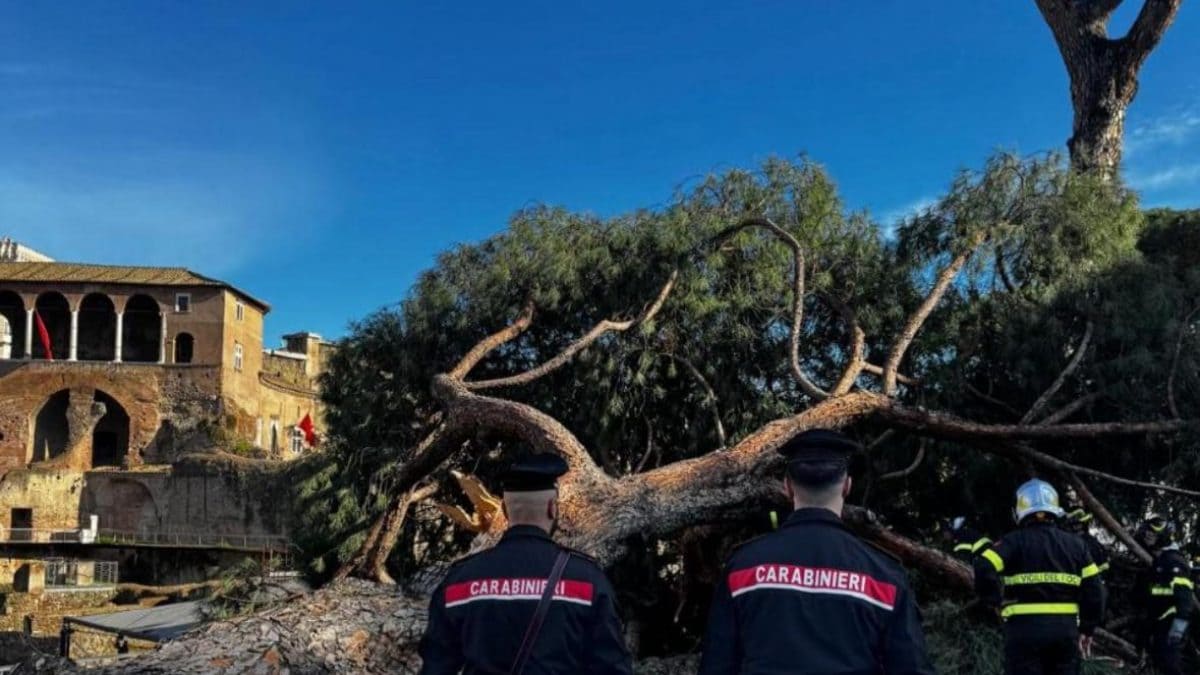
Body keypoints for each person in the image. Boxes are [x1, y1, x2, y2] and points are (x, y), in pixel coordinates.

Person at [699, 429, 934, 674]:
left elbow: (716, 666)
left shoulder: (743, 568)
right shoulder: (884, 576)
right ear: (846, 486)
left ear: (787, 487)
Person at [418, 453, 632, 675]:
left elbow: (436, 668)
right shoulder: (586, 582)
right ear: (552, 507)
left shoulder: (459, 582)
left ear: (505, 511)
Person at [974, 479, 1105, 675]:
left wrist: (994, 601)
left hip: (1023, 632)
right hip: (1065, 632)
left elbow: (984, 566)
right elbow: (1096, 591)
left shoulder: (1012, 542)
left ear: (1019, 510)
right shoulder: (1077, 545)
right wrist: (1087, 629)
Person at [1134, 515, 1193, 675]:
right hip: (1159, 622)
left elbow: (1185, 600)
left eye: (1152, 533)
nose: (1148, 536)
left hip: (1170, 623)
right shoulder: (1160, 561)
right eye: (1147, 532)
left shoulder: (1173, 561)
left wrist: (1177, 631)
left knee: (1169, 665)